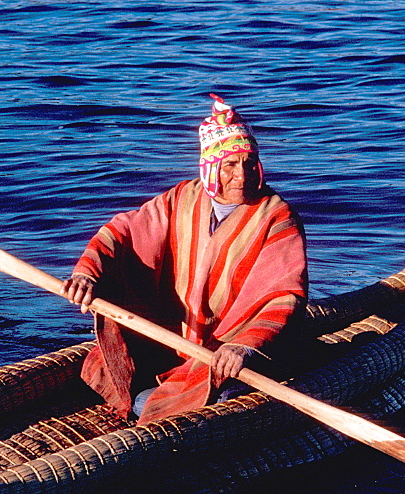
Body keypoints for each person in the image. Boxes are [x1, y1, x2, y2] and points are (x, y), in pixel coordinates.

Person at [62, 94, 307, 424]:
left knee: (214, 395)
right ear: (209, 168)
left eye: (250, 163)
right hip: (180, 340)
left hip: (238, 347)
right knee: (109, 368)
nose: (242, 175)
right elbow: (124, 231)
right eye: (230, 166)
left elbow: (283, 294)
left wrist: (242, 346)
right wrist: (88, 273)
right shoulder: (182, 198)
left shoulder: (276, 216)